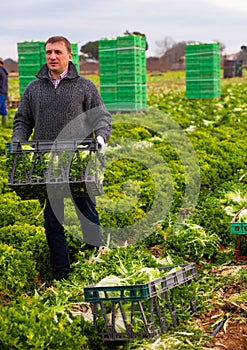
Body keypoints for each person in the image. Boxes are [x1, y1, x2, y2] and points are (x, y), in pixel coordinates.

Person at [12, 36, 112, 281]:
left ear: (70, 56)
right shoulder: (33, 89)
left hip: (77, 160)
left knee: (85, 212)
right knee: (53, 221)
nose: (52, 57)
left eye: (57, 52)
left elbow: (101, 118)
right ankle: (61, 273)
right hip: (46, 163)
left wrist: (100, 138)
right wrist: (18, 140)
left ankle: (92, 260)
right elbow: (23, 120)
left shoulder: (85, 86)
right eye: (48, 53)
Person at [0, 57, 8, 125]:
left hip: (0, 92)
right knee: (3, 109)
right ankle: (4, 124)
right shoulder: (4, 71)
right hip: (4, 92)